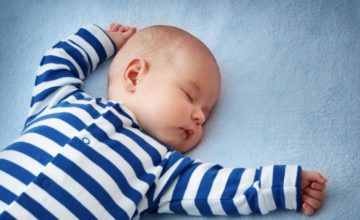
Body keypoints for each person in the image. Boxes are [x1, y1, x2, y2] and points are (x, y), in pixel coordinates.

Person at [0, 23, 327, 219]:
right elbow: (57, 62)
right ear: (134, 74)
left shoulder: (161, 169)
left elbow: (222, 189)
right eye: (189, 96)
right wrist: (102, 40)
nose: (199, 116)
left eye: (207, 114)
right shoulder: (62, 101)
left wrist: (284, 186)